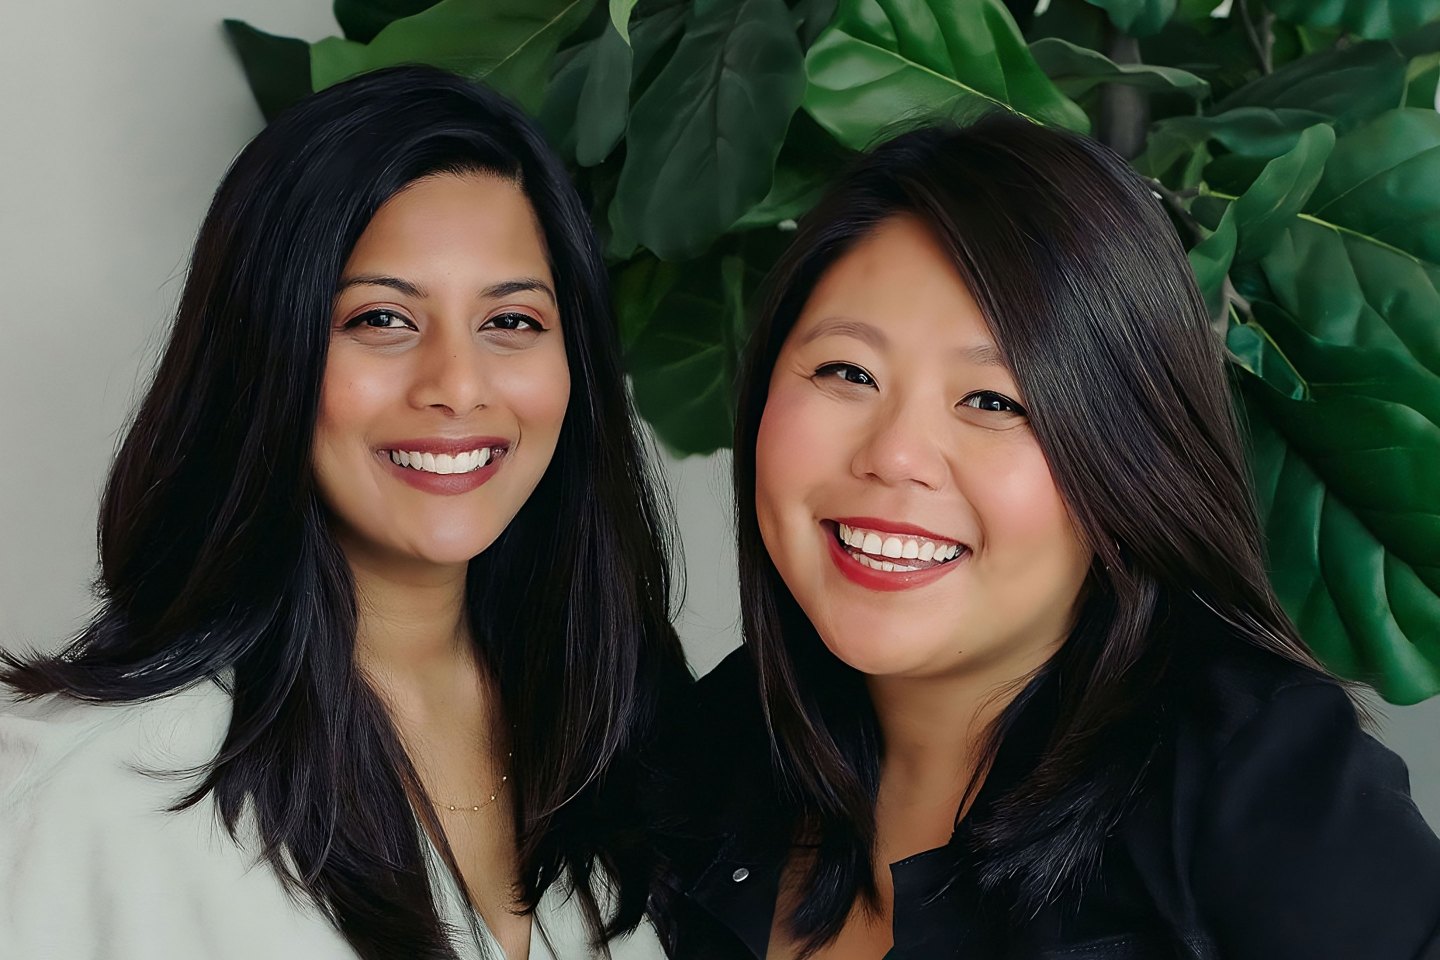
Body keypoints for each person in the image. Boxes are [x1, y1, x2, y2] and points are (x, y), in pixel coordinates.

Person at [657, 115, 1440, 959]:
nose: (895, 457)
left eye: (994, 401)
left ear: (1124, 454)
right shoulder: (715, 748)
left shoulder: (1256, 783)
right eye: (849, 372)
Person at [0, 65, 685, 960]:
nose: (458, 386)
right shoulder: (80, 789)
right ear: (267, 350)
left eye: (512, 321)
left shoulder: (622, 740)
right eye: (381, 320)